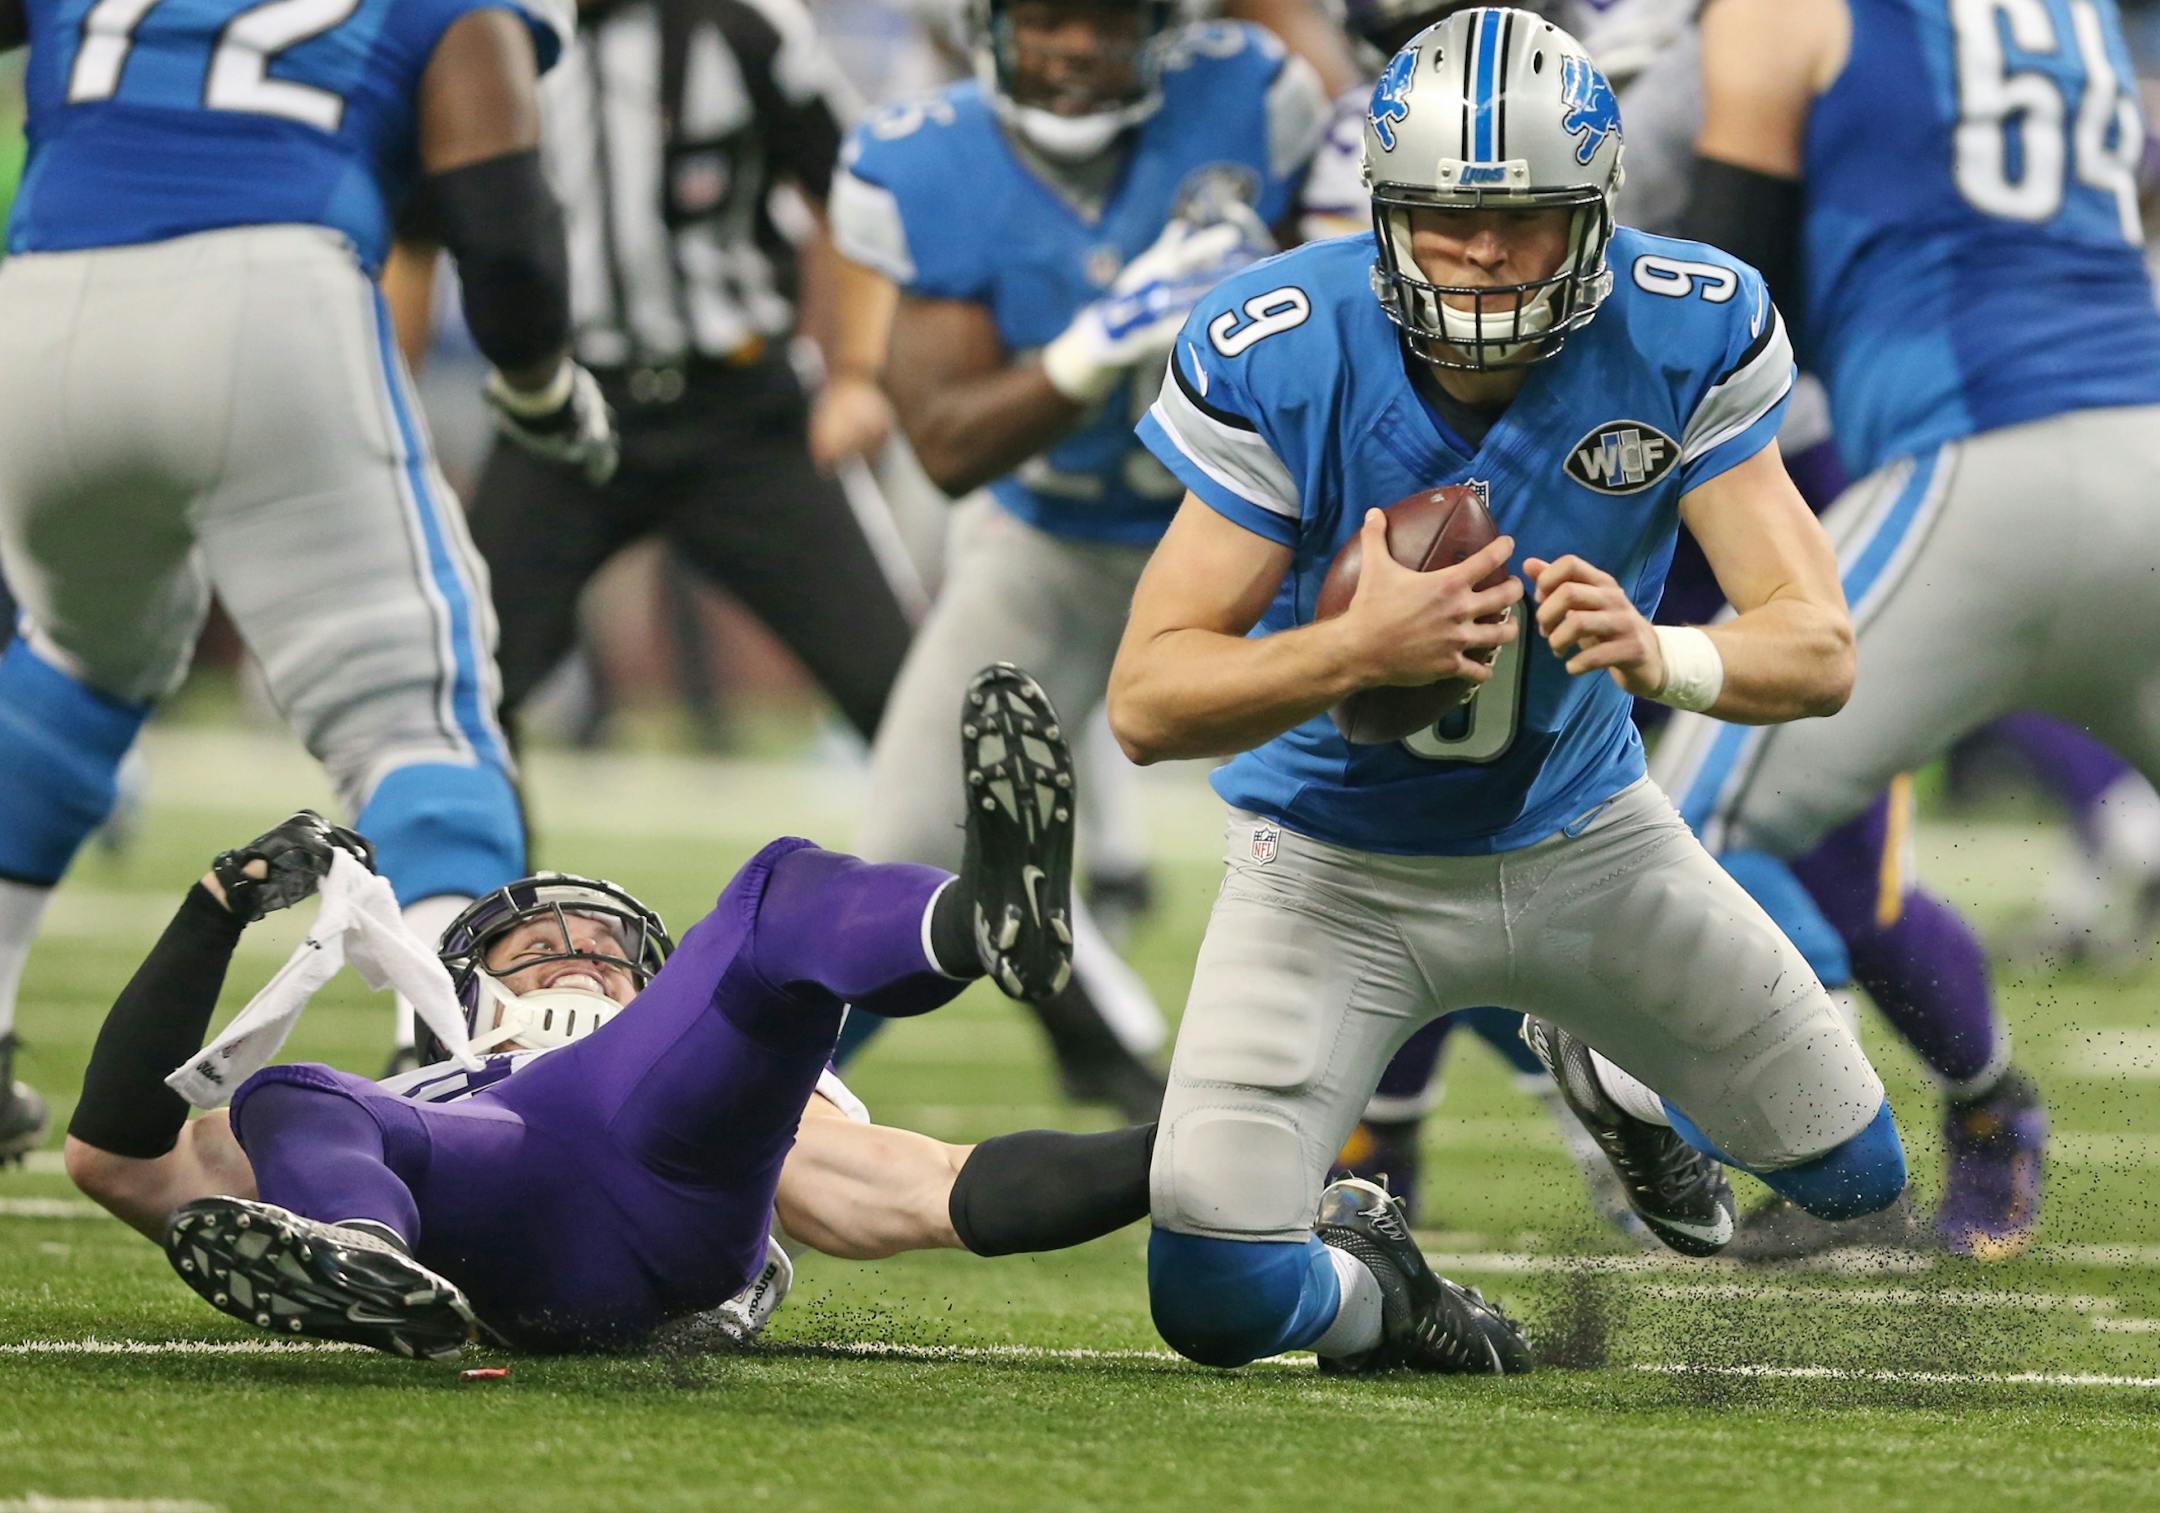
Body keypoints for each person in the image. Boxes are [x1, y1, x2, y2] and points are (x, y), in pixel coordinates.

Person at [1110, 7, 1907, 1373]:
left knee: (1854, 1174)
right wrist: (1353, 652)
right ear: (1382, 214)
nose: (1480, 252)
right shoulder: (1287, 344)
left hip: (1587, 838)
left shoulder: (1682, 324)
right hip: (1326, 868)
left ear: (1595, 215)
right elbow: (1147, 697)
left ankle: (1624, 1082)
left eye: (1524, 219)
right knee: (1215, 1298)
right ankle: (1391, 1299)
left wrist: (1663, 655)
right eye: (1443, 218)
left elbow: (1818, 645)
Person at [67, 665, 1162, 1359]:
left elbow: (923, 1187)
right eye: (536, 942)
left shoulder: (665, 1055)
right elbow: (119, 1158)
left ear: (652, 990)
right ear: (463, 990)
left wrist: (1178, 1152)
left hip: (663, 1180)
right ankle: (360, 1262)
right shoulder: (411, 1091)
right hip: (472, 1199)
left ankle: (974, 921)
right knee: (290, 1094)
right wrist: (217, 910)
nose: (576, 949)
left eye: (605, 946)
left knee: (777, 886)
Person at [0, 0, 615, 1157]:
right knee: (414, 722)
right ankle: (454, 1083)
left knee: (77, 662)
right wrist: (542, 390)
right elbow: (505, 226)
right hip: (268, 288)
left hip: (40, 302)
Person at [1658, 0, 2160, 1259]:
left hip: (1978, 461)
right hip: (2144, 432)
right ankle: (1963, 1123)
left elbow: (1728, 285)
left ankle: (1834, 1161)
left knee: (1684, 825)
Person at [825, 0, 1331, 1123]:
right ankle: (722, 1124)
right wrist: (1094, 345)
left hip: (1250, 535)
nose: (1076, 52)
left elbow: (1365, 276)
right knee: (905, 859)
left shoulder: (1257, 91)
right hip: (1046, 540)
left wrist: (1280, 287)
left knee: (1413, 821)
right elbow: (950, 445)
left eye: (1108, 21)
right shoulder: (924, 157)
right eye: (1047, 19)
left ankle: (1590, 1120)